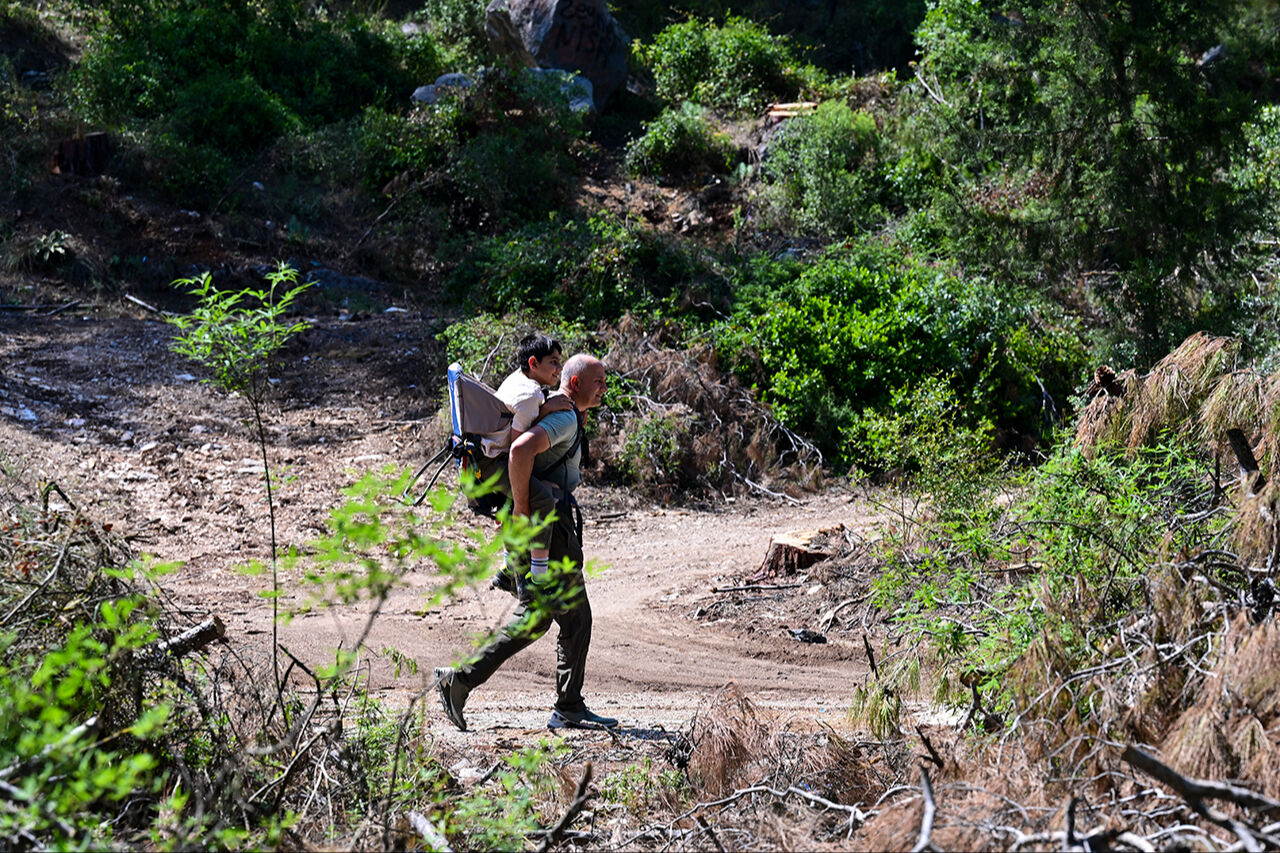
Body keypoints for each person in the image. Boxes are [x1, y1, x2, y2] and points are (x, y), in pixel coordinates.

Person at [434, 354, 616, 731]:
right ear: (575, 383)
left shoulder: (561, 411)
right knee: (571, 618)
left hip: (532, 526)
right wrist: (521, 506)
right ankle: (565, 706)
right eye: (597, 381)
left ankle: (463, 681)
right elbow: (519, 451)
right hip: (548, 528)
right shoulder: (565, 418)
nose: (604, 388)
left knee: (540, 618)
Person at [473, 333, 572, 588]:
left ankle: (508, 568)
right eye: (553, 362)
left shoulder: (518, 379)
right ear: (533, 363)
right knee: (542, 499)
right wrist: (547, 410)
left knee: (517, 499)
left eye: (560, 362)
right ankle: (538, 578)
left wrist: (545, 405)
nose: (558, 368)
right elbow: (518, 447)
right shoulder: (530, 395)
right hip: (494, 461)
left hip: (484, 457)